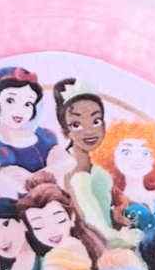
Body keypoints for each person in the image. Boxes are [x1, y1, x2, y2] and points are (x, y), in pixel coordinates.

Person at [16, 172, 106, 270]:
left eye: (59, 220)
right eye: (38, 226)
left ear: (72, 217)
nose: (51, 231)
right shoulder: (79, 242)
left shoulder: (66, 247)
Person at [47, 79, 114, 238]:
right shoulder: (72, 169)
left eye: (96, 121)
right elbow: (91, 225)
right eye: (76, 124)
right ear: (65, 132)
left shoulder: (91, 164)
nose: (89, 131)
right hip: (98, 241)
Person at [0, 66, 58, 172]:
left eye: (28, 103)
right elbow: (11, 177)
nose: (20, 110)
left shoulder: (43, 136)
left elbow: (67, 161)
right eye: (10, 100)